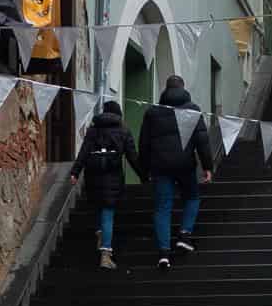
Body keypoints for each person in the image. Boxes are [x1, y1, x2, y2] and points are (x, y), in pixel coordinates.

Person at [137, 74, 214, 270]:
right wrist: (207, 167)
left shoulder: (152, 113)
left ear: (165, 89)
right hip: (185, 165)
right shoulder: (193, 110)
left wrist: (143, 172)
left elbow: (144, 145)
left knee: (163, 207)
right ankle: (184, 234)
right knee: (192, 198)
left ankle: (164, 253)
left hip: (160, 167)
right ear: (183, 88)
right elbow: (202, 142)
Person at [71, 100, 140, 270]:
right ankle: (106, 255)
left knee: (99, 206)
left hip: (93, 176)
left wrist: (75, 171)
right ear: (119, 114)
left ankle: (100, 233)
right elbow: (132, 156)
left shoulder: (93, 130)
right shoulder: (123, 131)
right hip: (113, 177)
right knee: (108, 212)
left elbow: (84, 152)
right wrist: (144, 175)